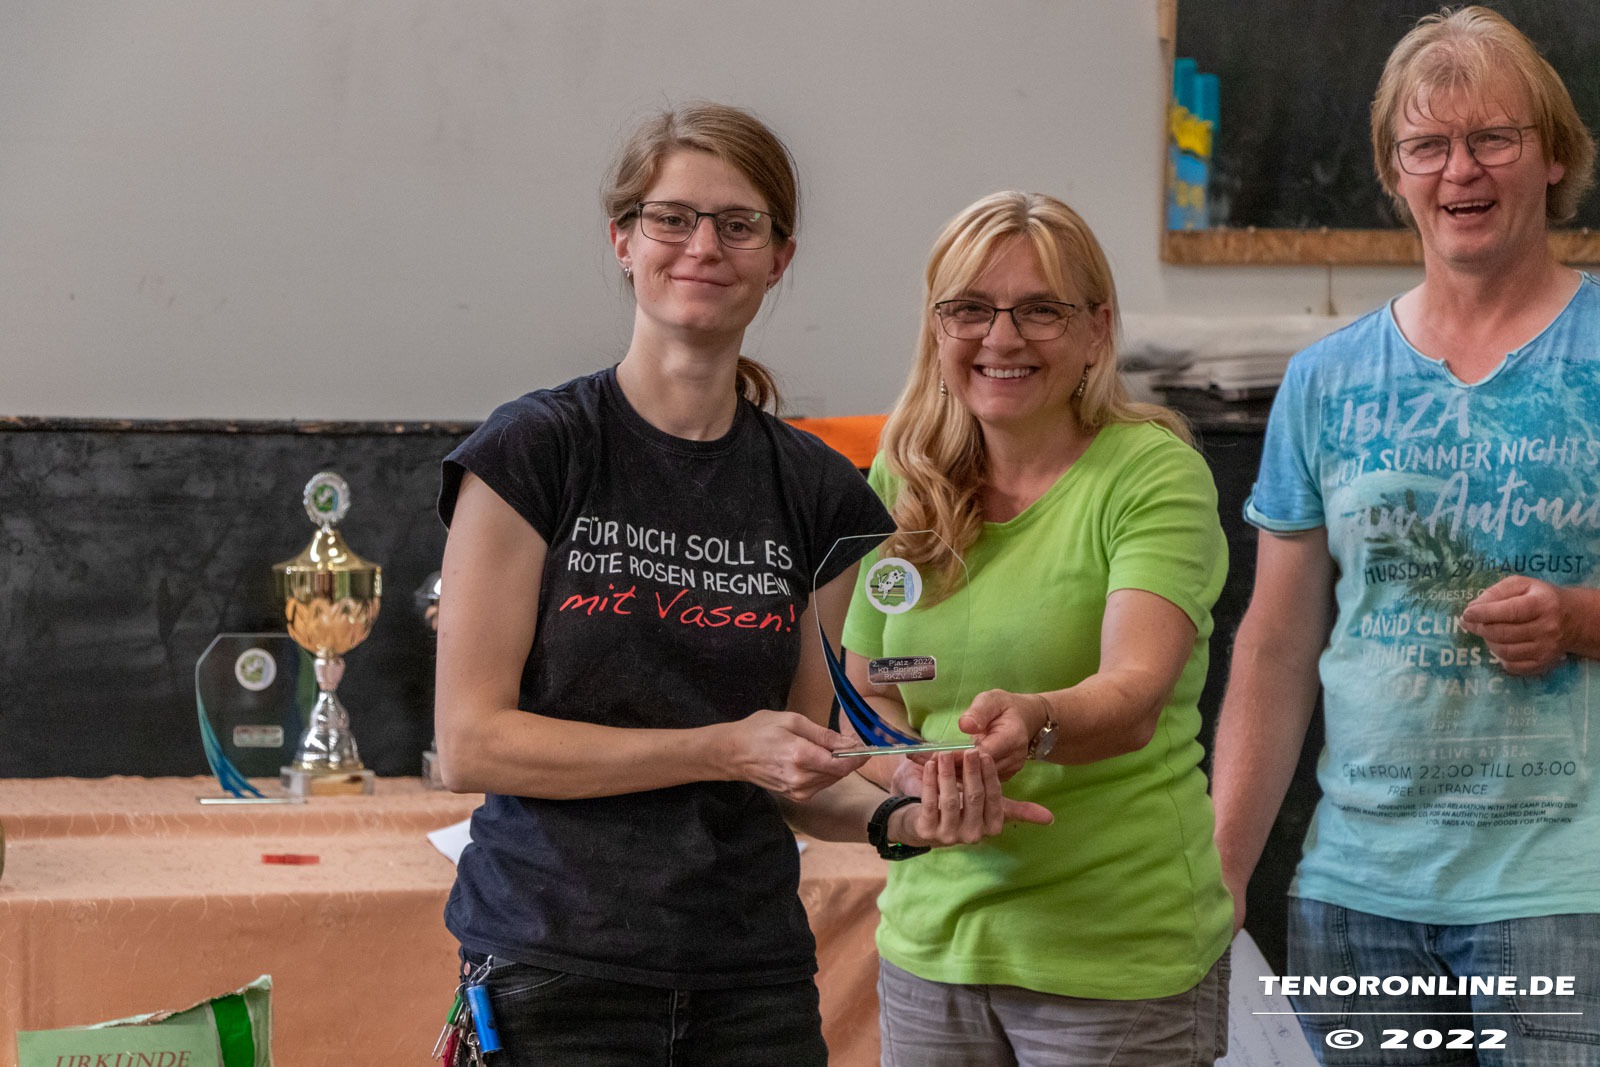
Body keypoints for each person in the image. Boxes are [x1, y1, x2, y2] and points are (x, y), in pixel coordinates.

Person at [431, 102, 1026, 1065]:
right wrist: (719, 748)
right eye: (672, 218)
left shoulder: (819, 490)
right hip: (556, 969)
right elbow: (471, 742)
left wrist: (905, 813)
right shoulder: (533, 452)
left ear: (779, 257)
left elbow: (805, 768)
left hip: (752, 985)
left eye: (739, 224)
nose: (703, 246)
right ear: (623, 240)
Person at [1211, 8, 1600, 1064]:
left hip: (1565, 894)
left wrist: (1576, 619)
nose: (1459, 170)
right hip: (1357, 896)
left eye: (1493, 138)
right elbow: (1276, 644)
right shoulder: (1324, 380)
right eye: (1427, 145)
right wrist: (1220, 868)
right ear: (1394, 172)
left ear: (1552, 156)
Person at [841, 190, 1234, 1065]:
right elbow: (865, 694)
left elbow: (1135, 694)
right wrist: (914, 771)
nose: (1003, 337)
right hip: (929, 945)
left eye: (1040, 310)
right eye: (971, 309)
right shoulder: (901, 477)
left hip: (1114, 954)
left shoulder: (1150, 473)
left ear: (1097, 330)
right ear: (937, 327)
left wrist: (1037, 718)